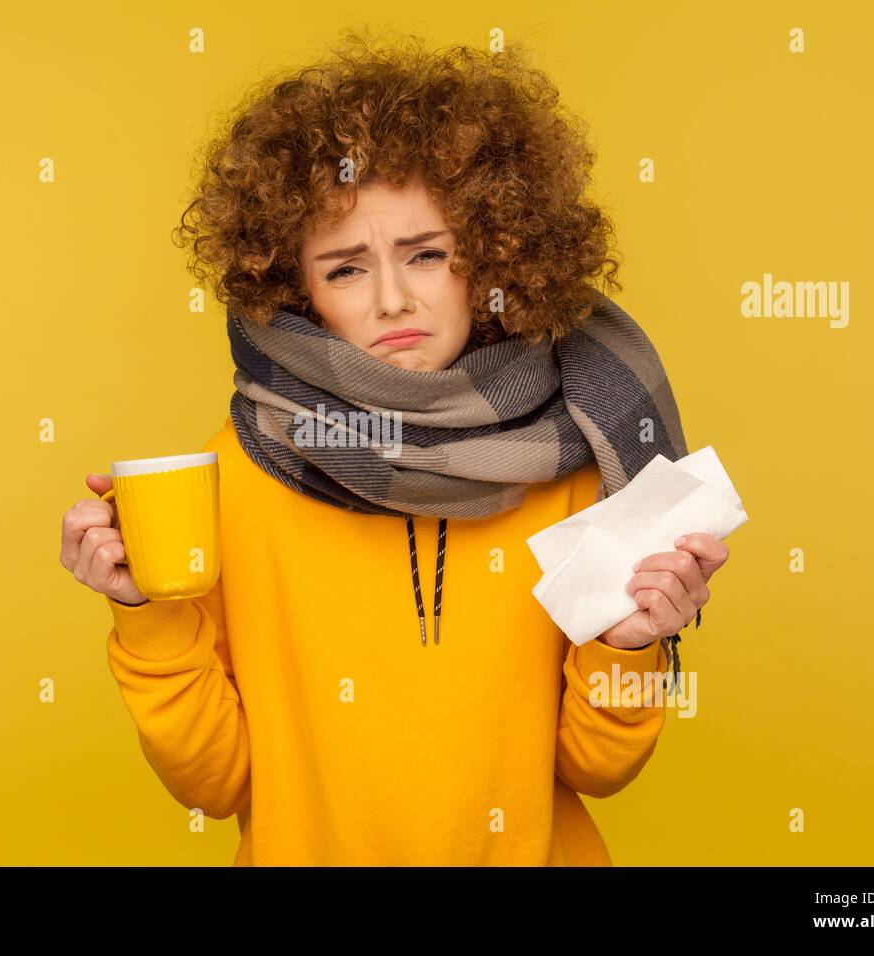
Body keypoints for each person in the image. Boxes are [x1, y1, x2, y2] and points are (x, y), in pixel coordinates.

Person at [59, 32, 729, 865]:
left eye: (427, 254)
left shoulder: (580, 454)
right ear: (290, 287)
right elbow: (217, 784)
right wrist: (147, 612)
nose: (391, 298)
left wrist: (629, 643)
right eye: (344, 269)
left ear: (493, 253)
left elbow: (595, 767)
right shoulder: (240, 466)